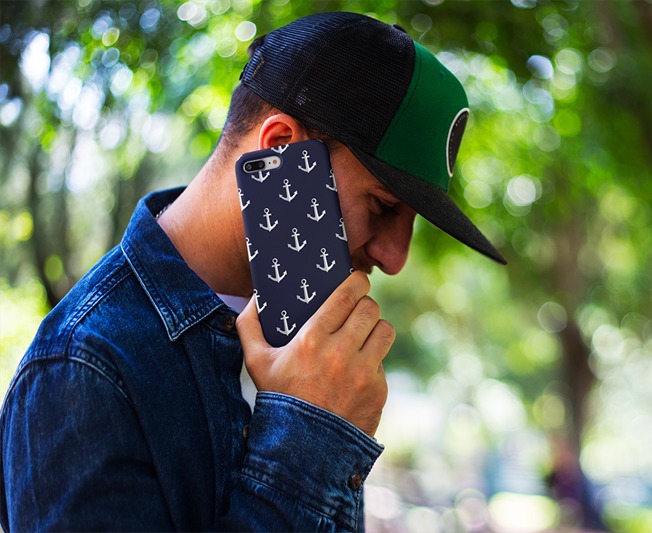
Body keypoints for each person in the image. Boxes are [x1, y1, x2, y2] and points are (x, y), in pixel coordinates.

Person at [0, 11, 505, 531]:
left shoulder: (310, 344)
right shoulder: (82, 369)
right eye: (382, 205)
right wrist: (310, 432)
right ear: (281, 147)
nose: (395, 258)